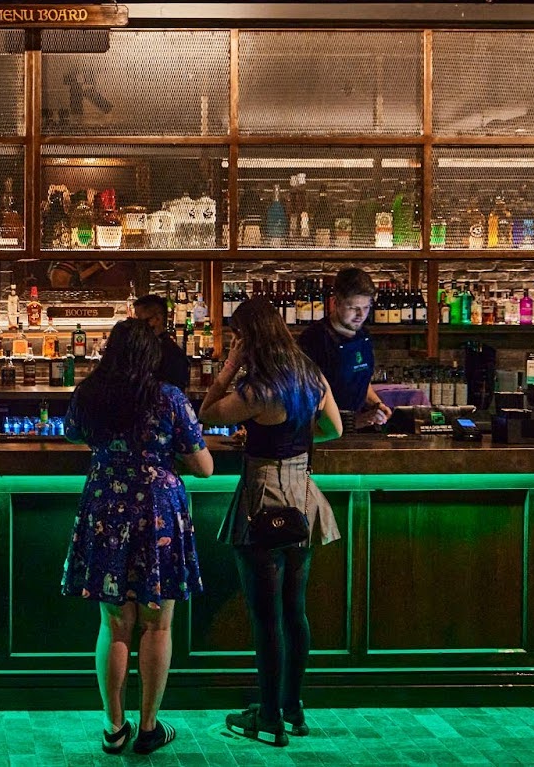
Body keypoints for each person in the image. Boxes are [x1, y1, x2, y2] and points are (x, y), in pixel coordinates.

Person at [61, 318, 214, 755]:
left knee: (114, 624)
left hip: (106, 508)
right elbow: (204, 467)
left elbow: (73, 434)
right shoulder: (169, 399)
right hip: (157, 516)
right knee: (157, 623)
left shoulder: (90, 394)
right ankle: (148, 727)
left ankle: (113, 728)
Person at [200, 297, 343, 747]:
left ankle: (267, 717)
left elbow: (206, 413)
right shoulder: (310, 375)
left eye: (239, 337)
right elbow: (334, 429)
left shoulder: (258, 389)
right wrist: (292, 436)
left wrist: (228, 368)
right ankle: (294, 709)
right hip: (302, 497)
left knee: (266, 618)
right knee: (294, 610)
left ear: (249, 338)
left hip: (263, 499)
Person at [296, 267, 391, 429]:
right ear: (335, 303)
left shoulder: (363, 335)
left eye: (366, 307)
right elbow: (304, 396)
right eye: (353, 308)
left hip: (360, 431)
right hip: (325, 433)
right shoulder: (313, 340)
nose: (361, 315)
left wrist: (377, 404)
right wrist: (352, 422)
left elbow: (359, 382)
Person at [129, 294, 194, 391]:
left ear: (157, 319)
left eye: (141, 320)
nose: (138, 325)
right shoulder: (151, 347)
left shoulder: (169, 353)